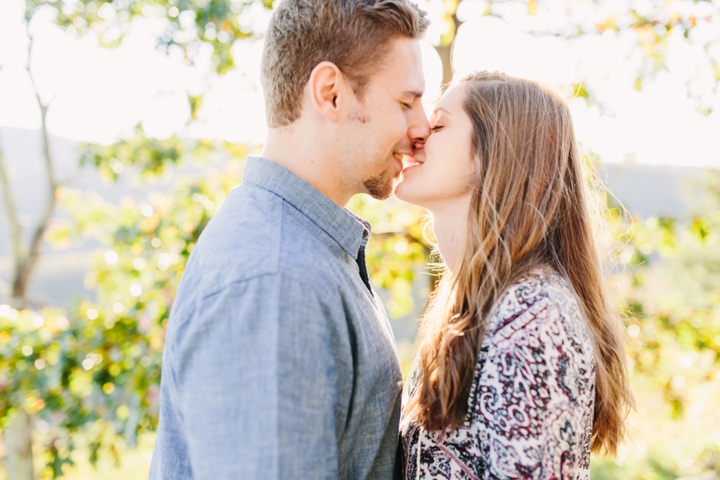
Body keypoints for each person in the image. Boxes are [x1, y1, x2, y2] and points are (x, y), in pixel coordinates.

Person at [148, 1, 431, 479]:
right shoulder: (275, 282)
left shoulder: (307, 250)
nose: (422, 125)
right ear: (331, 94)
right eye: (406, 102)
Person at [395, 71, 634, 479]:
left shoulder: (535, 315)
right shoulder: (470, 306)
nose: (416, 133)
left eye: (438, 125)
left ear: (495, 152)